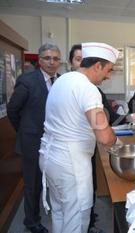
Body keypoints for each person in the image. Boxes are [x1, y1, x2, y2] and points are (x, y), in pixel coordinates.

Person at [39, 42, 122, 233]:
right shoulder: (88, 89)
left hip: (49, 158)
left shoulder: (63, 80)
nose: (108, 75)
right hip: (70, 164)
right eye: (108, 70)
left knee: (60, 213)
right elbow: (103, 135)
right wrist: (117, 142)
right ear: (97, 66)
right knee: (76, 219)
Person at [7, 43, 61, 233]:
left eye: (55, 58)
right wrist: (24, 131)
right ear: (39, 60)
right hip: (32, 144)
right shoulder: (27, 80)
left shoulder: (61, 81)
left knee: (53, 181)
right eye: (47, 58)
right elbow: (12, 110)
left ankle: (53, 212)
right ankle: (31, 222)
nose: (51, 62)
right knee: (33, 185)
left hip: (54, 143)